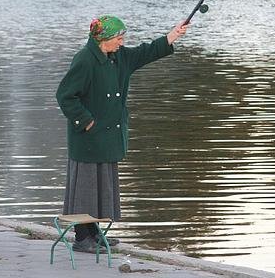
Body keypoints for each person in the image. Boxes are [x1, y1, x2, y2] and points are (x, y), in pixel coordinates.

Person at [56, 15, 188, 252]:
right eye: (118, 38)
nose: (121, 42)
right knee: (85, 187)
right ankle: (81, 237)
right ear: (103, 39)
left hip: (107, 136)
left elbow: (145, 53)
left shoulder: (118, 57)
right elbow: (65, 96)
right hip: (88, 137)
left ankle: (95, 233)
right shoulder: (85, 60)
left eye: (122, 38)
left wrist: (173, 35)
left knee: (102, 185)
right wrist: (86, 122)